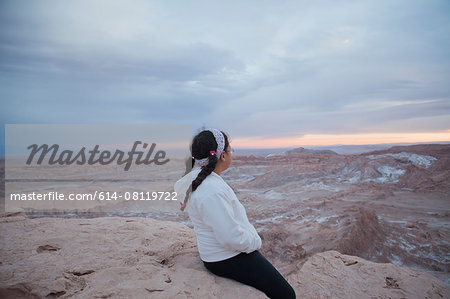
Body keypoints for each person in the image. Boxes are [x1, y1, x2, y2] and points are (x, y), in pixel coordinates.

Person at [175, 128, 296, 299]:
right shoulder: (211, 191)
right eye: (230, 150)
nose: (232, 153)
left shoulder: (197, 180)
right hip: (225, 258)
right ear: (222, 156)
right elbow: (231, 238)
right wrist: (255, 242)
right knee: (287, 295)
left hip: (216, 253)